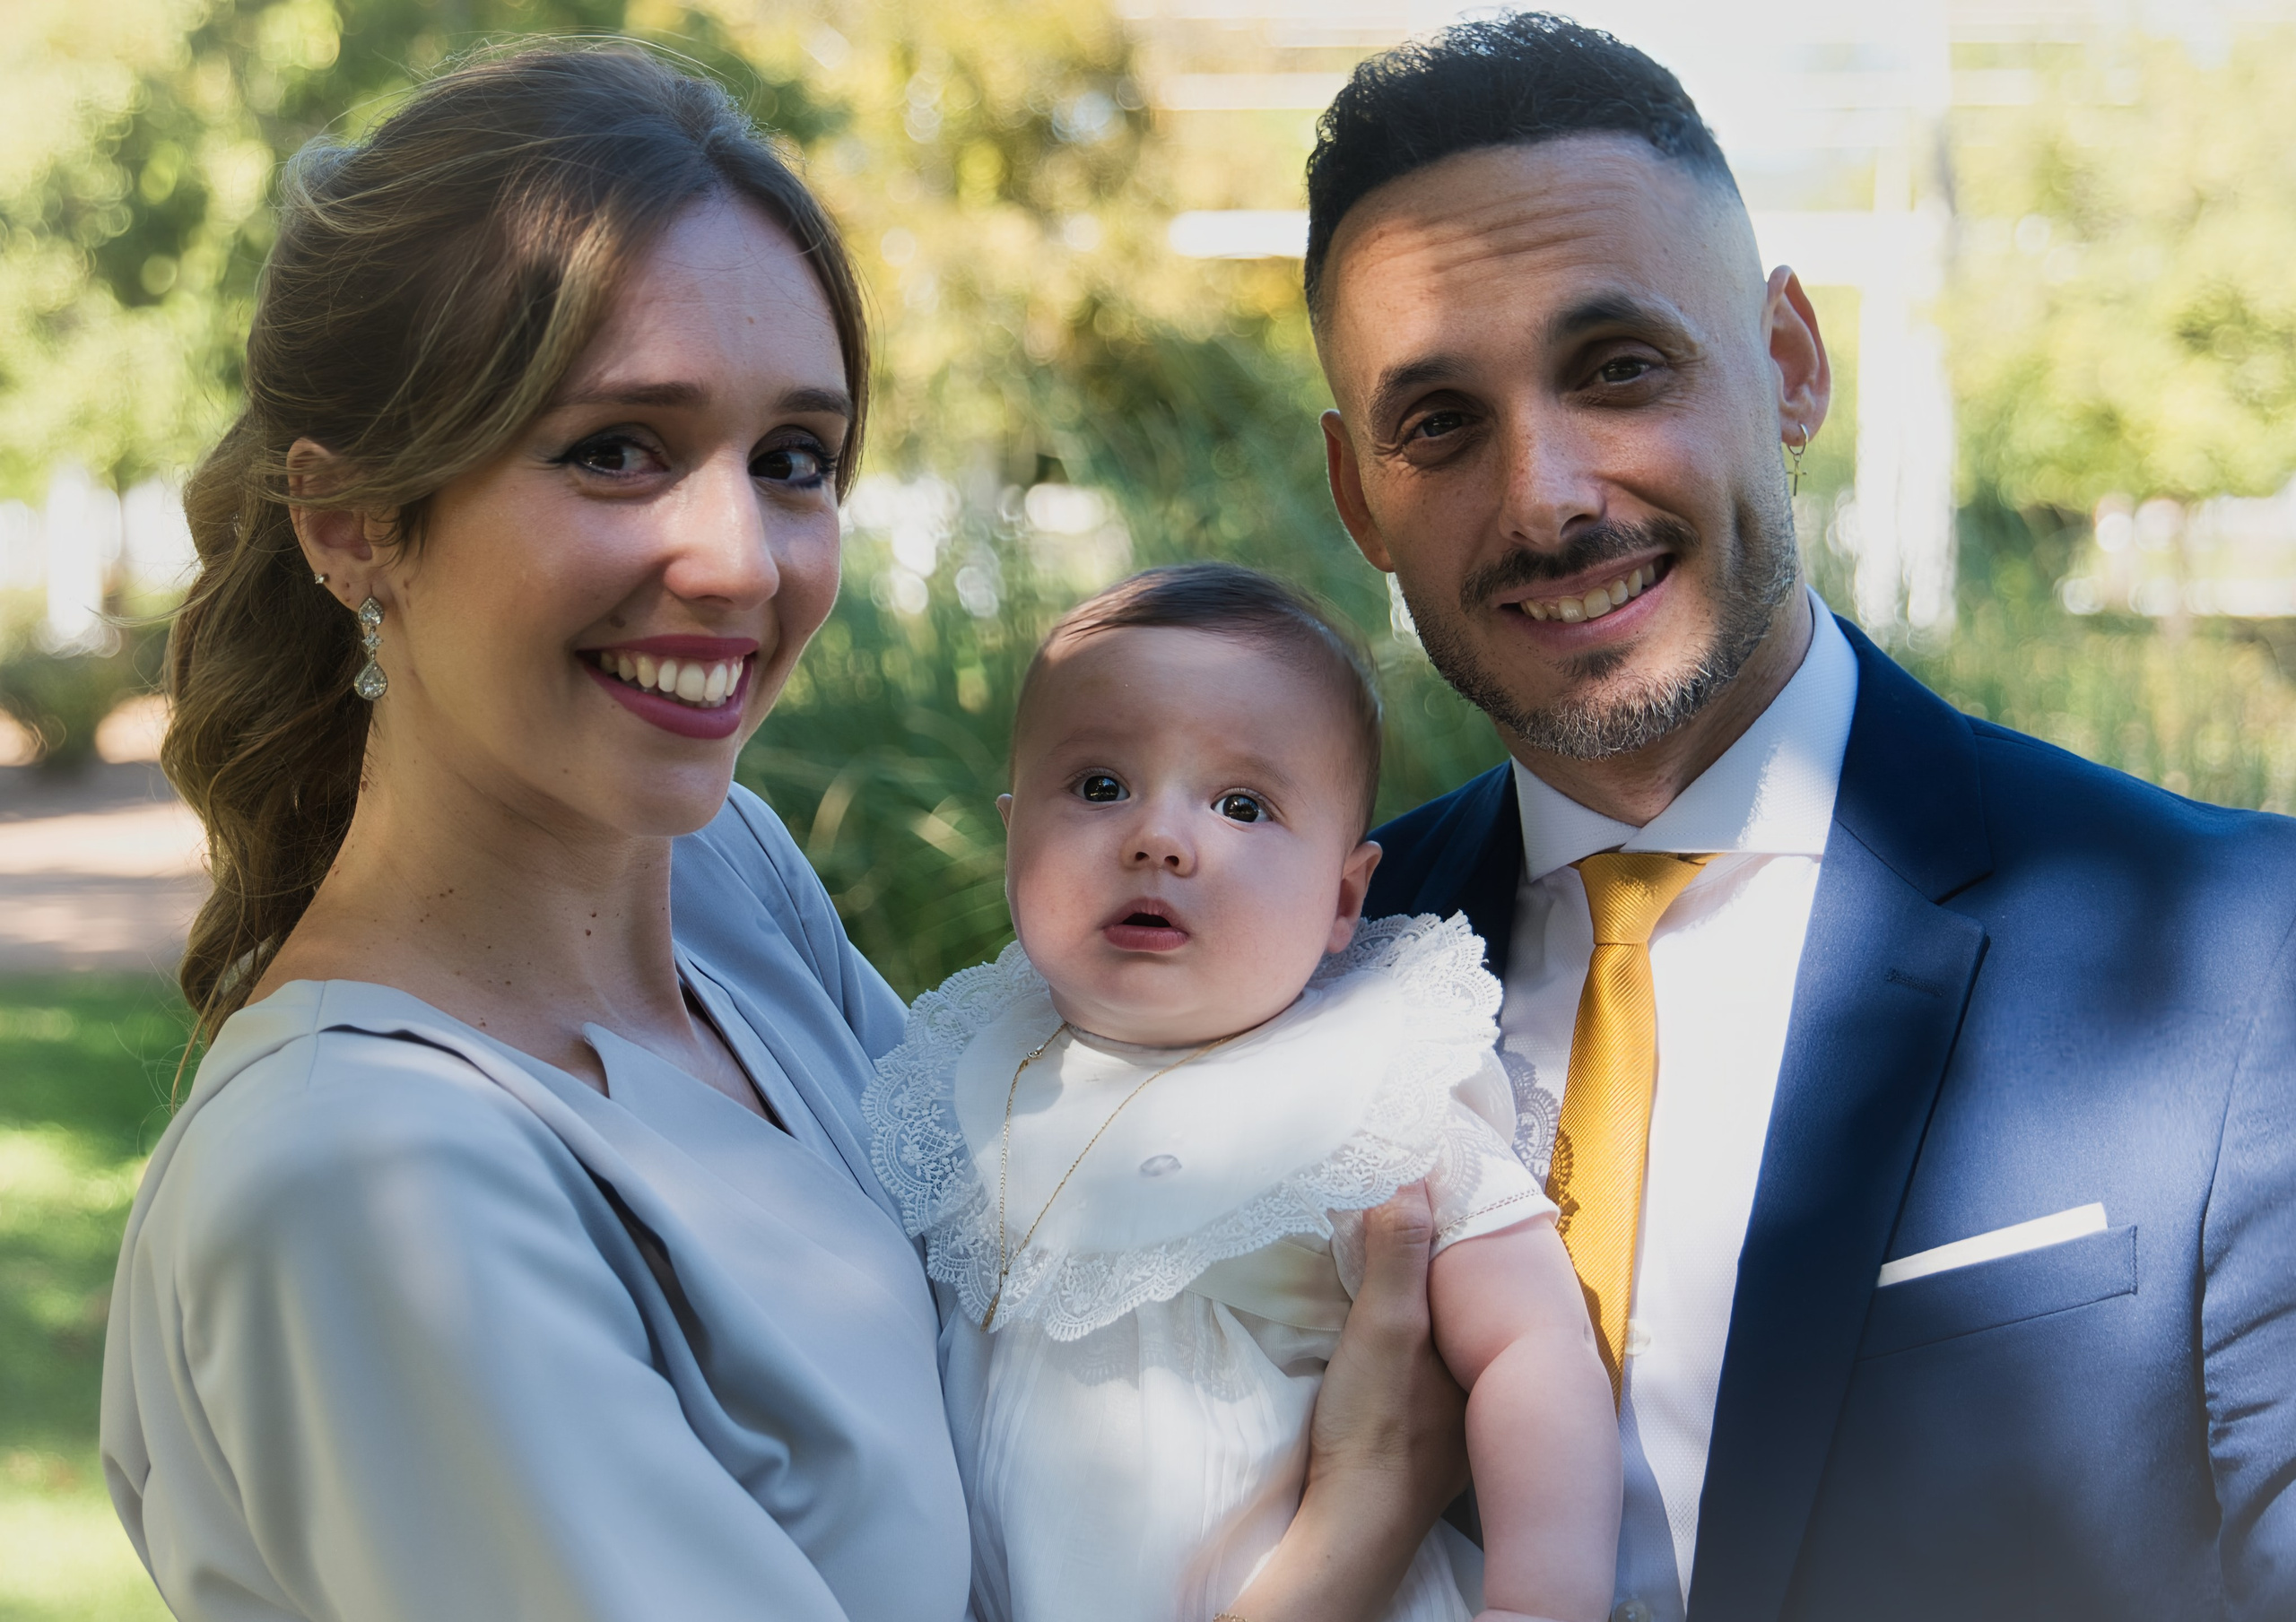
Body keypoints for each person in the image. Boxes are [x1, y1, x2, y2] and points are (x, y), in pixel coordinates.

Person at [101, 44, 1474, 1622]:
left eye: (793, 459)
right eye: (616, 447)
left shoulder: (730, 883)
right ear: (351, 523)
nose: (736, 557)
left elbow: (1044, 1267)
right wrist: (1362, 1510)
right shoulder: (366, 1184)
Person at [1305, 13, 2296, 1622]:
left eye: (1618, 365)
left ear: (1788, 365)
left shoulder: (2241, 962)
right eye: (1442, 422)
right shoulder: (1303, 970)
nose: (1547, 494)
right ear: (1358, 496)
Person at [864, 562, 1621, 1622]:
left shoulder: (1365, 1098)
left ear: (1343, 896)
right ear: (1009, 838)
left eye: (1239, 804)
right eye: (1097, 787)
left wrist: (1540, 1603)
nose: (1157, 838)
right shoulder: (976, 1071)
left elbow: (1530, 1347)